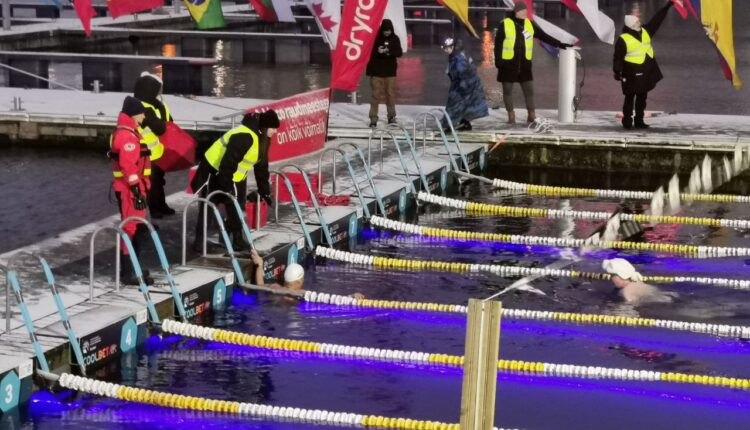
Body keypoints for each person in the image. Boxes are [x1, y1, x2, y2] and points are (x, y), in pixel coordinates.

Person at [190, 110, 278, 253]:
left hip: (234, 174)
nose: (275, 131)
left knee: (236, 205)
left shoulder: (262, 139)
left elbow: (261, 167)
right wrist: (226, 185)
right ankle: (200, 242)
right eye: (273, 128)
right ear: (265, 127)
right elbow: (228, 161)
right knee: (209, 205)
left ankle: (237, 240)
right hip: (213, 170)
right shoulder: (244, 136)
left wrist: (265, 191)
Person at [494, 2, 573, 124]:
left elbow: (543, 36)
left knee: (529, 92)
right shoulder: (504, 24)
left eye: (526, 10)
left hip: (525, 66)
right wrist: (499, 62)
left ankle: (531, 116)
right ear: (516, 12)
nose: (525, 12)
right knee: (507, 92)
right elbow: (498, 45)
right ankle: (511, 116)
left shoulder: (529, 24)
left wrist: (559, 44)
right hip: (507, 64)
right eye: (522, 10)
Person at [613, 1, 681, 129]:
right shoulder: (623, 39)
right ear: (630, 26)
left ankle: (639, 121)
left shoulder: (645, 31)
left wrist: (667, 6)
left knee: (642, 98)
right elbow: (618, 57)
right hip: (630, 73)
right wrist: (617, 71)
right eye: (636, 23)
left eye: (638, 22)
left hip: (644, 72)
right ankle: (627, 121)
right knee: (629, 98)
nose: (638, 24)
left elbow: (657, 20)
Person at [109, 96, 153, 285]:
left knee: (136, 227)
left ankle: (134, 267)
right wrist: (136, 190)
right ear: (134, 114)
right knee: (130, 228)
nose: (143, 117)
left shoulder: (130, 132)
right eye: (141, 113)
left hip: (133, 188)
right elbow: (128, 166)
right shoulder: (127, 136)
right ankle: (129, 272)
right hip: (129, 190)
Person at [133, 72, 175, 218]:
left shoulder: (156, 104)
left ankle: (161, 205)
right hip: (145, 153)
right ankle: (154, 209)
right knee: (150, 183)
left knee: (159, 181)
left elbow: (169, 121)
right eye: (156, 90)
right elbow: (160, 128)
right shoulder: (141, 107)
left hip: (158, 150)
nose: (158, 93)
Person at [250, 249, 364, 299]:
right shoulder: (300, 293)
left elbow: (259, 284)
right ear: (299, 281)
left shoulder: (274, 287)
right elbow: (327, 299)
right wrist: (350, 297)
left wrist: (260, 264)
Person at [441, 37, 489, 131]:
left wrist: (462, 87)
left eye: (447, 48)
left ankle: (449, 125)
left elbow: (463, 73)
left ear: (452, 47)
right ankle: (464, 123)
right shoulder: (459, 54)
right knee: (465, 105)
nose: (446, 50)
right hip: (468, 84)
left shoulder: (459, 59)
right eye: (445, 48)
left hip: (465, 85)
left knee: (454, 105)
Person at [365, 19, 403, 128]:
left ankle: (391, 117)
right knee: (375, 96)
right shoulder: (375, 38)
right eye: (385, 30)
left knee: (390, 95)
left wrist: (388, 51)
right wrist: (378, 51)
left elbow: (399, 52)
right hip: (376, 72)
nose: (387, 32)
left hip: (390, 73)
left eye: (389, 30)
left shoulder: (395, 39)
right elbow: (367, 51)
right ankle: (373, 119)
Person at [602, 258, 677, 304]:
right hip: (665, 295)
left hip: (660, 302)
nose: (610, 278)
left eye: (612, 275)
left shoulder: (626, 292)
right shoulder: (638, 282)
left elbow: (629, 307)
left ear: (621, 276)